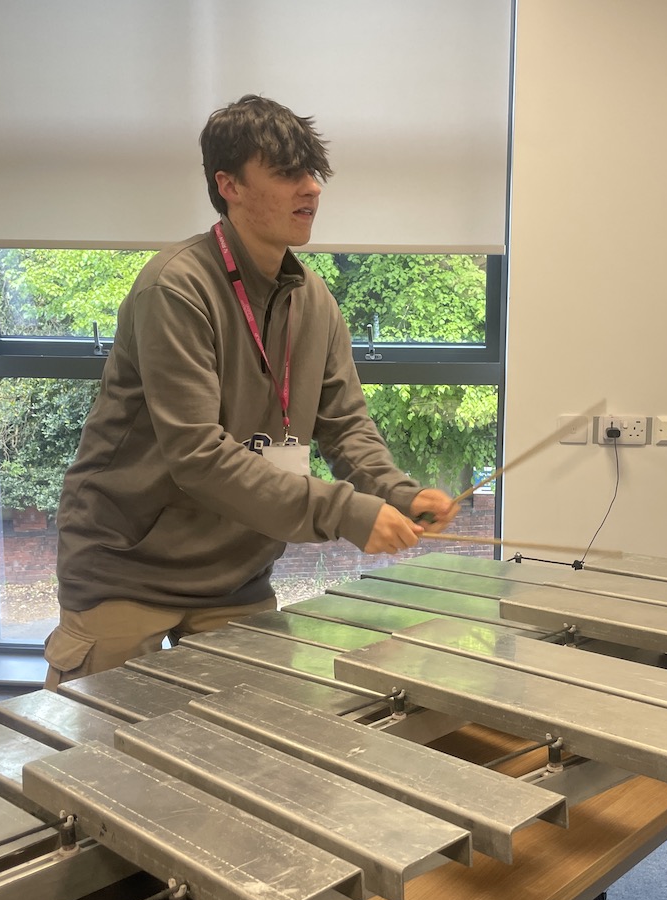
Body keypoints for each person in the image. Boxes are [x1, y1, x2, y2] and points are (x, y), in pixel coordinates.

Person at [43, 94, 459, 690]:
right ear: (229, 185)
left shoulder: (315, 300)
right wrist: (345, 511)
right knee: (100, 743)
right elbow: (198, 456)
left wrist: (399, 493)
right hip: (125, 569)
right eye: (287, 173)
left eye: (312, 172)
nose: (311, 188)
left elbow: (345, 426)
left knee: (254, 735)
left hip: (237, 575)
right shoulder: (175, 287)